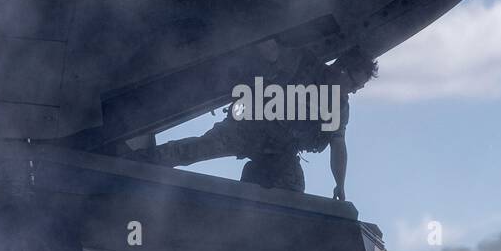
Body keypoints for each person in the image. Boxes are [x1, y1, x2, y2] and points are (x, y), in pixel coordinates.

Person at [135, 48, 378, 198]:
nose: (355, 91)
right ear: (341, 70)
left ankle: (249, 221)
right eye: (355, 83)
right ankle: (139, 162)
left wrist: (339, 184)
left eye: (359, 87)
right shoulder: (301, 62)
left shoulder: (339, 106)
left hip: (281, 152)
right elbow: (267, 50)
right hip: (246, 130)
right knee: (196, 150)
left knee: (292, 191)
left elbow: (338, 145)